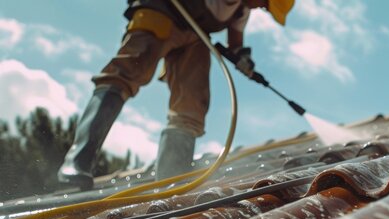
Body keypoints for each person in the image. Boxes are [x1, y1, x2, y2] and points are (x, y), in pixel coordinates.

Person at [57, 0, 295, 189]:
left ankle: (171, 180)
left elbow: (235, 43)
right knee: (125, 74)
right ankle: (78, 161)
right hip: (160, 12)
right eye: (264, 2)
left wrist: (243, 58)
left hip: (195, 36)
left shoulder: (241, 10)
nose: (261, 8)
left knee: (193, 102)